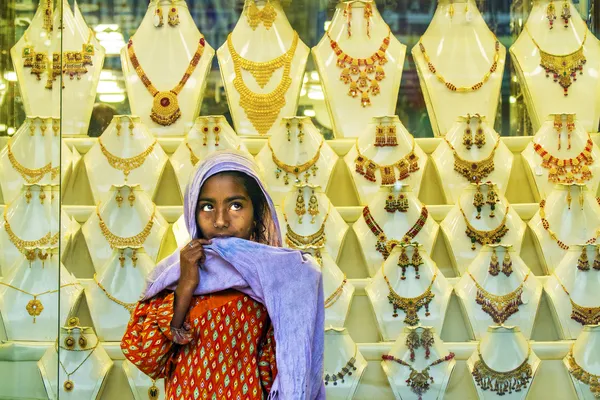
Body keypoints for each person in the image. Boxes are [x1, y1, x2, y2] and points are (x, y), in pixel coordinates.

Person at [121, 150, 325, 400]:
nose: (220, 221)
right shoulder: (174, 274)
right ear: (192, 212)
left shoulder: (278, 279)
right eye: (207, 206)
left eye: (236, 205)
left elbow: (287, 372)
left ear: (257, 213)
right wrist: (185, 287)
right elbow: (148, 360)